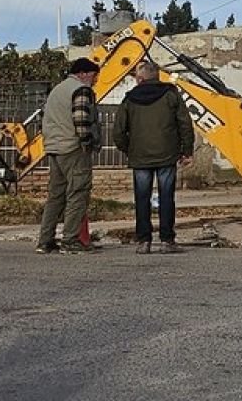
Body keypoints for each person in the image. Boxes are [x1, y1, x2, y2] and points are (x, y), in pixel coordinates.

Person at [112, 59, 195, 254]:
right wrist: (187, 151)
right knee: (166, 198)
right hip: (167, 155)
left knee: (142, 199)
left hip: (140, 157)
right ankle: (167, 241)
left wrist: (128, 149)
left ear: (140, 78)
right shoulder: (171, 94)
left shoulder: (129, 98)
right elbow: (185, 123)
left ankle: (144, 241)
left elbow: (118, 131)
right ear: (157, 76)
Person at [35, 57, 103, 254]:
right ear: (83, 73)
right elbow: (81, 119)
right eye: (93, 76)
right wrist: (87, 143)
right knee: (78, 193)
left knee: (55, 196)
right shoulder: (80, 90)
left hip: (54, 148)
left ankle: (45, 240)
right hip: (73, 148)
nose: (95, 80)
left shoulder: (57, 90)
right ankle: (70, 240)